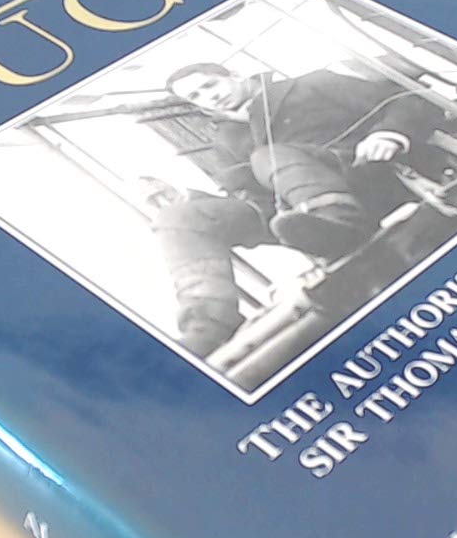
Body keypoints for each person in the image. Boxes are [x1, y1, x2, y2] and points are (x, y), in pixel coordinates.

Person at [151, 62, 441, 357]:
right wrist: (200, 202)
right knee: (178, 217)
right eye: (196, 96)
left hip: (366, 176)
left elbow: (409, 101)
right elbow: (253, 197)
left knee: (267, 156)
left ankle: (343, 222)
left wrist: (389, 134)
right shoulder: (225, 141)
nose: (209, 97)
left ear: (235, 74)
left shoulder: (309, 85)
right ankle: (208, 324)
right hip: (298, 217)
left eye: (210, 85)